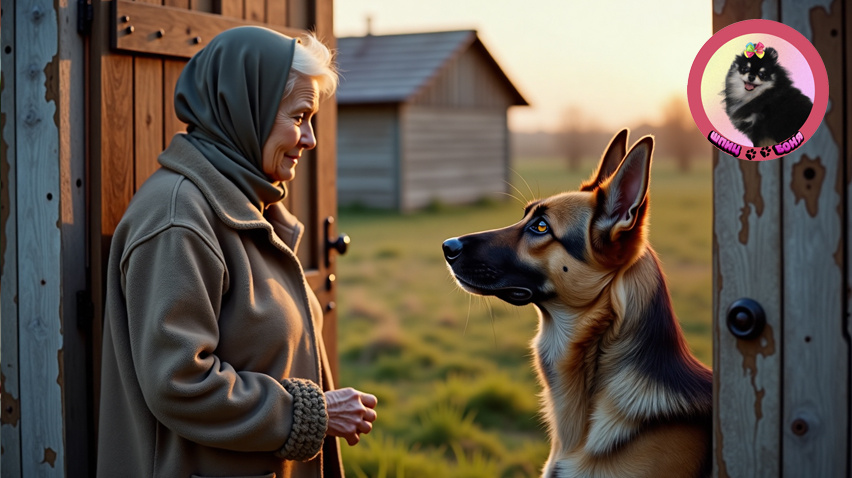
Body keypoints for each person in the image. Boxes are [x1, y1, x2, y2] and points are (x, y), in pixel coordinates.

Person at [97, 26, 376, 478]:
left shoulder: (242, 204)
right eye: (300, 116)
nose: (310, 140)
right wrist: (312, 412)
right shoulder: (179, 218)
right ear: (248, 110)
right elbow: (180, 382)